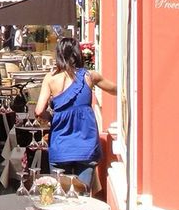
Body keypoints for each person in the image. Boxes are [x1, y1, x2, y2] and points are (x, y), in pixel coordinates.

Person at [34, 36, 117, 187]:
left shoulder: (50, 79)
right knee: (83, 195)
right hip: (86, 144)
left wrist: (53, 117)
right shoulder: (90, 76)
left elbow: (39, 110)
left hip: (60, 145)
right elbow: (117, 90)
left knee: (61, 196)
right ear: (78, 53)